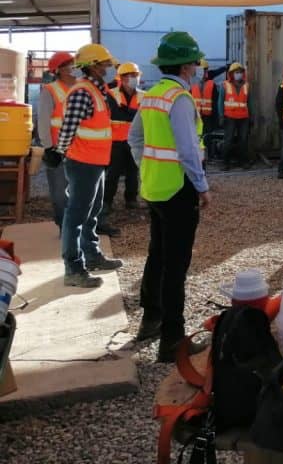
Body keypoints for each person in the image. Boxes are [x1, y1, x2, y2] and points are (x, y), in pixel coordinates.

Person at [128, 31, 210, 362]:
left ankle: (151, 320)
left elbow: (134, 139)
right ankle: (173, 341)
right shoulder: (180, 99)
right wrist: (202, 186)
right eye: (196, 62)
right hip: (179, 189)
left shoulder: (150, 96)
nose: (198, 67)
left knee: (157, 255)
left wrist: (147, 166)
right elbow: (189, 149)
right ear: (188, 65)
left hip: (155, 188)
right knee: (176, 264)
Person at [46, 43, 123, 288]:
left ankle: (91, 256)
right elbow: (69, 126)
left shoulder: (96, 89)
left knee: (92, 211)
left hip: (96, 161)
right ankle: (73, 268)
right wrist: (59, 151)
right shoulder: (83, 92)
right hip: (83, 162)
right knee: (76, 215)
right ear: (91, 66)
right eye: (103, 65)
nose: (107, 68)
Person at [101, 61, 143, 235]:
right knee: (113, 173)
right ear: (121, 78)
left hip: (134, 141)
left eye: (134, 76)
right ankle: (107, 202)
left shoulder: (143, 96)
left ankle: (131, 199)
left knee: (133, 172)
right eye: (128, 76)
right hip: (116, 141)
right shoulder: (111, 94)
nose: (132, 79)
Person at [38, 51, 75, 229]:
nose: (72, 67)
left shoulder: (82, 87)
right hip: (58, 148)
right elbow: (44, 120)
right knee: (60, 192)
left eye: (73, 63)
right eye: (67, 64)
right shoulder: (50, 90)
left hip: (82, 148)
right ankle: (64, 224)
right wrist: (48, 147)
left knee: (80, 191)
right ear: (58, 70)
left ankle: (77, 227)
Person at [220, 62, 253, 169]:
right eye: (236, 72)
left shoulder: (246, 85)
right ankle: (225, 162)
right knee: (228, 140)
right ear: (231, 74)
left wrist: (252, 117)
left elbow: (250, 103)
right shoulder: (225, 85)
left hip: (244, 118)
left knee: (243, 140)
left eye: (240, 72)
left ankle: (243, 162)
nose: (238, 74)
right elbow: (220, 102)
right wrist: (221, 117)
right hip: (230, 117)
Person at [190, 59, 218, 135]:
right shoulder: (190, 84)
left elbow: (215, 105)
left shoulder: (212, 85)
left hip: (208, 119)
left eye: (204, 70)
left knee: (207, 138)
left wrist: (216, 121)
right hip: (195, 117)